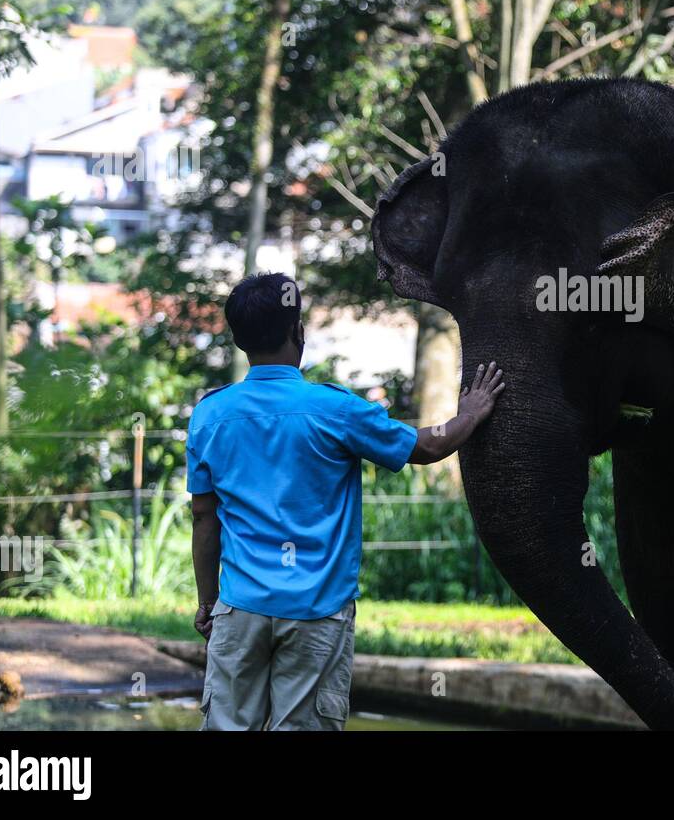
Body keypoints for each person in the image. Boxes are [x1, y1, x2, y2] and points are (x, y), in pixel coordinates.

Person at [187, 272, 504, 730]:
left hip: (239, 611)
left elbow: (204, 516)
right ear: (299, 333)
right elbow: (427, 446)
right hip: (316, 614)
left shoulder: (210, 415)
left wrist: (208, 601)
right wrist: (471, 414)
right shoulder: (336, 410)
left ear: (239, 341)